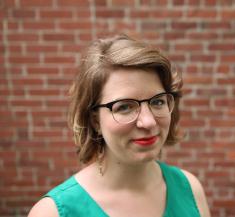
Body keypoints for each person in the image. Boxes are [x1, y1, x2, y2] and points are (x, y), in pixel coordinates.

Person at [28, 34, 211, 217]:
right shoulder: (52, 212)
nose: (148, 121)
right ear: (95, 121)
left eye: (157, 102)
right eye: (124, 107)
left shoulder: (190, 190)